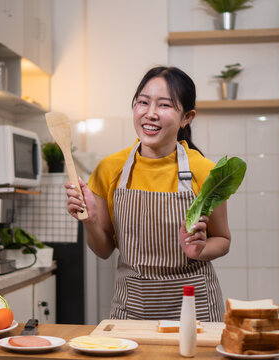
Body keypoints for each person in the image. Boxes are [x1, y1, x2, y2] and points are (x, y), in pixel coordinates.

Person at [65, 66, 231, 321]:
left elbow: (223, 240)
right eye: (143, 102)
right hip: (132, 308)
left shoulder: (205, 171)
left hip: (194, 310)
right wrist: (89, 220)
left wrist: (200, 249)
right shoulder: (110, 169)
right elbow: (104, 249)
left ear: (186, 117)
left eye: (164, 105)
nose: (150, 114)